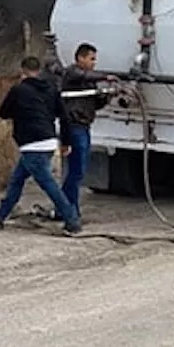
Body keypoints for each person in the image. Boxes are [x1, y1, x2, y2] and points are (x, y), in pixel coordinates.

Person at [0, 55, 82, 234]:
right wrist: (66, 141)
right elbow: (63, 116)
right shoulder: (51, 89)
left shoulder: (18, 90)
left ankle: (72, 220)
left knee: (48, 184)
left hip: (31, 143)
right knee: (17, 180)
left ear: (22, 70)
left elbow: (3, 113)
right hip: (48, 140)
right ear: (38, 70)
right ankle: (0, 216)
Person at [58, 42, 118, 222]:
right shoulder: (72, 73)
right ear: (80, 58)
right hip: (74, 127)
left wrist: (108, 95)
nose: (94, 63)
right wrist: (106, 77)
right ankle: (69, 210)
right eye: (91, 59)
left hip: (84, 126)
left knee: (79, 171)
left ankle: (65, 208)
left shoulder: (87, 81)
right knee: (76, 171)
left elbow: (94, 103)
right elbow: (83, 75)